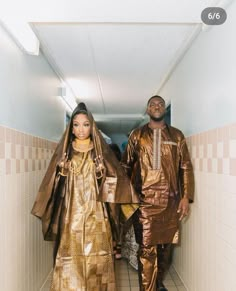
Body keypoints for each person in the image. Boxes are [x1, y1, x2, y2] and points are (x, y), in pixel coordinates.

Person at [31, 102, 139, 291]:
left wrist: (101, 175)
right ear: (71, 128)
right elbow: (51, 186)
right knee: (70, 261)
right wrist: (62, 174)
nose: (81, 129)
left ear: (92, 126)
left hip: (97, 218)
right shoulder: (65, 153)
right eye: (76, 124)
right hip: (71, 217)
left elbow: (117, 181)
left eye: (86, 124)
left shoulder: (100, 152)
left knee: (99, 261)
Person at [122, 95, 194, 291]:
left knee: (165, 249)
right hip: (144, 204)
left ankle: (157, 283)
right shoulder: (136, 135)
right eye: (152, 104)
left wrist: (186, 197)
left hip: (171, 203)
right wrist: (127, 197)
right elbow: (125, 166)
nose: (157, 106)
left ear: (164, 109)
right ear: (147, 110)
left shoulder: (177, 136)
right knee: (146, 250)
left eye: (160, 104)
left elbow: (185, 167)